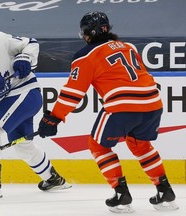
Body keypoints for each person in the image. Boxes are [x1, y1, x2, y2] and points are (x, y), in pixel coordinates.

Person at [38, 12, 178, 213]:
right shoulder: (128, 47)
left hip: (122, 105)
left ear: (89, 32)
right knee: (140, 145)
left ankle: (121, 195)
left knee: (98, 146)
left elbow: (73, 93)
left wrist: (54, 118)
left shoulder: (86, 54)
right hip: (153, 103)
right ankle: (165, 190)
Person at [0, 22, 71, 199]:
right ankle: (52, 179)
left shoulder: (0, 40)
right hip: (16, 101)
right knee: (22, 146)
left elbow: (31, 43)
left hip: (27, 92)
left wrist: (24, 57)